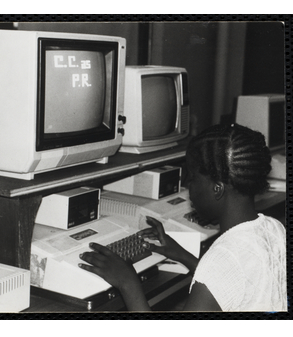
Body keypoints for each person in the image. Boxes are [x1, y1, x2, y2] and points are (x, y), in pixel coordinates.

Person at [78, 124, 287, 312]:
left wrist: (128, 283)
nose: (188, 186)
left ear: (217, 189)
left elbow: (223, 272)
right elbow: (232, 283)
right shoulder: (273, 228)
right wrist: (183, 256)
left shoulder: (221, 260)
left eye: (193, 178)